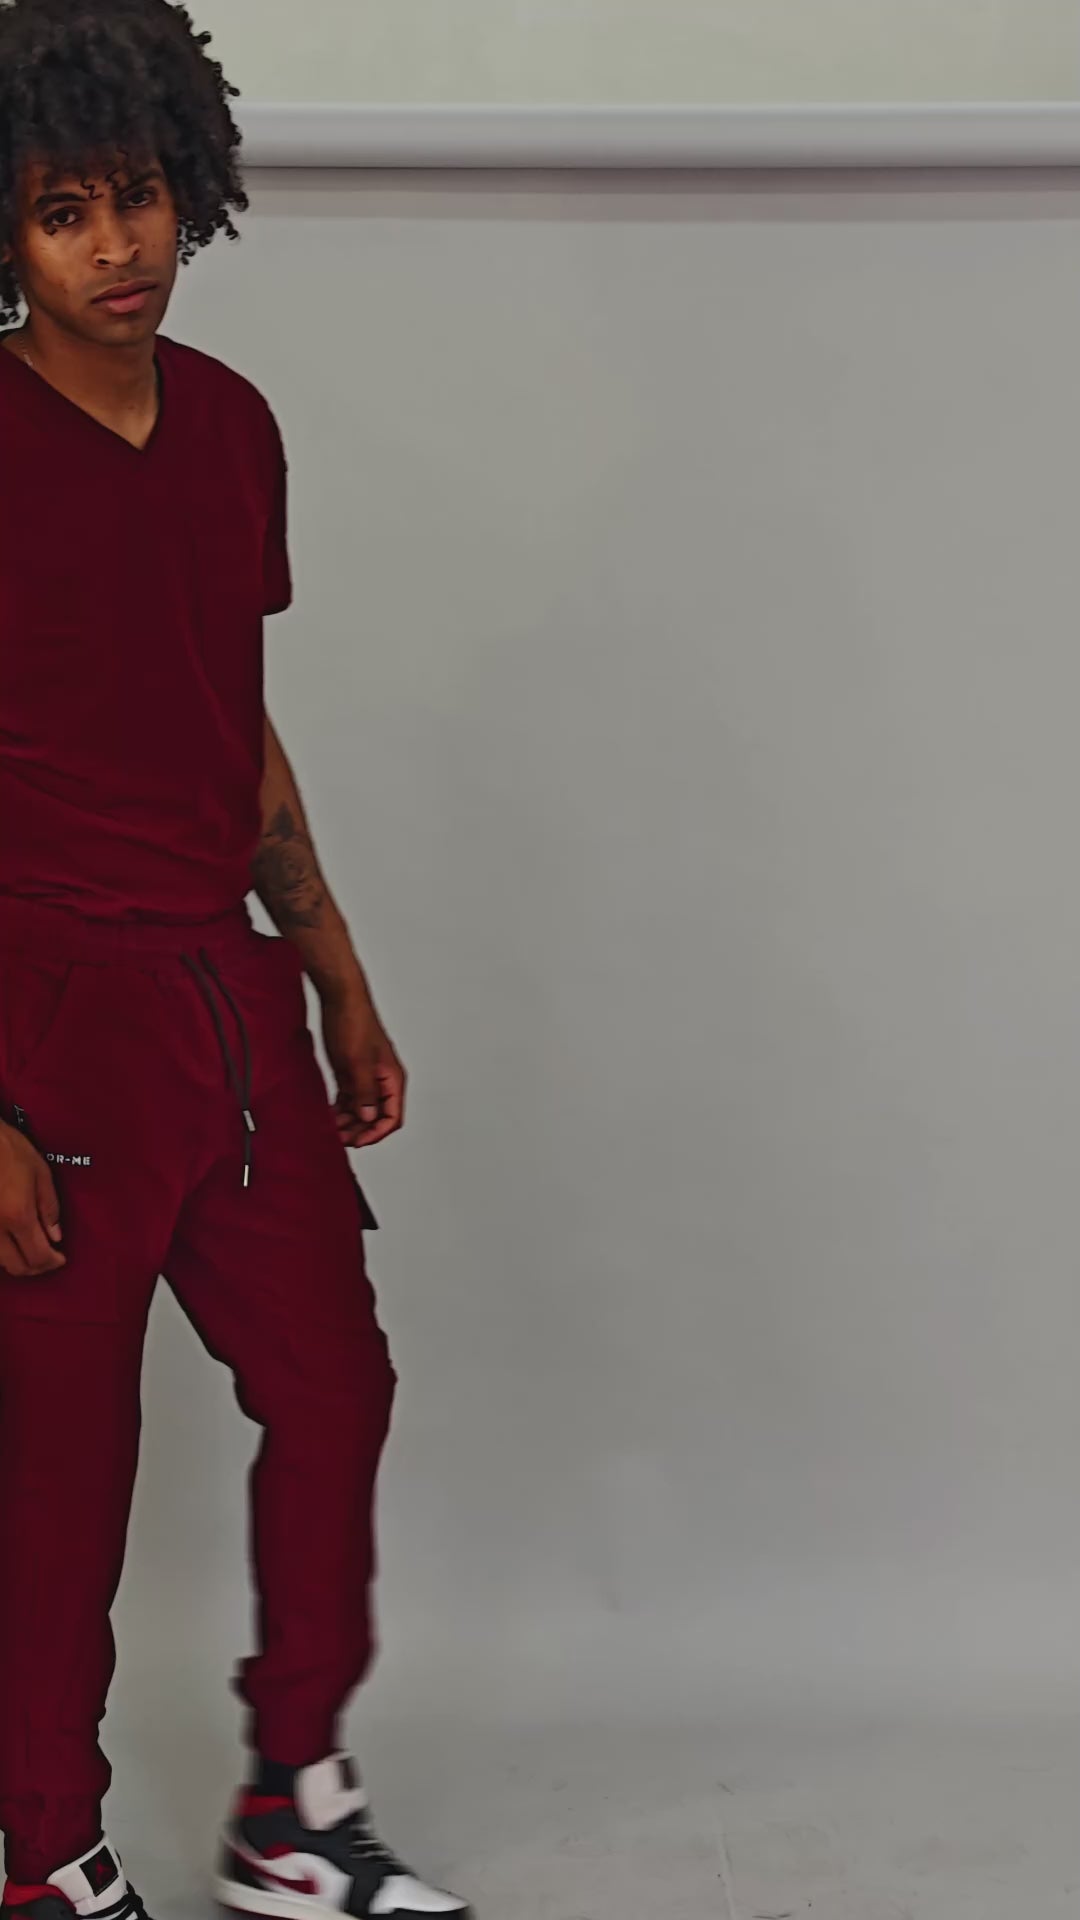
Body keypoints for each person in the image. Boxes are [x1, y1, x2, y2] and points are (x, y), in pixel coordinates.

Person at [0, 5, 471, 1918]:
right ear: (6, 233)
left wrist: (333, 964)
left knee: (335, 1385)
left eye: (138, 196)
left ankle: (291, 1803)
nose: (116, 245)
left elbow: (230, 715)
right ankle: (45, 1860)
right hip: (46, 1015)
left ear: (189, 186)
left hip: (225, 988)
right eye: (62, 212)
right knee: (60, 1478)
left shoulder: (233, 427)